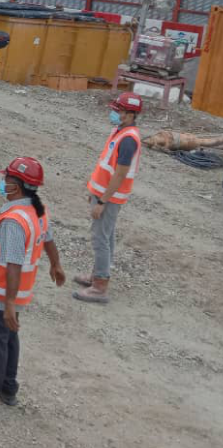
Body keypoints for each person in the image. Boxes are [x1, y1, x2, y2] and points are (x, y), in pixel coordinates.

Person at [0, 158, 65, 414]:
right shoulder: (37, 210)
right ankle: (7, 387)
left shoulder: (14, 222)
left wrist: (7, 304)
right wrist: (56, 264)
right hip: (15, 295)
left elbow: (13, 264)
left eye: (6, 178)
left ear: (16, 186)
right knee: (8, 339)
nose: (2, 182)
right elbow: (48, 239)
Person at [74, 92, 143, 304]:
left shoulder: (128, 140)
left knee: (100, 239)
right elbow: (106, 165)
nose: (114, 113)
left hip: (110, 198)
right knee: (107, 236)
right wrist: (94, 191)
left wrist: (102, 201)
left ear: (130, 114)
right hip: (104, 194)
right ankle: (97, 275)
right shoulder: (119, 131)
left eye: (118, 110)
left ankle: (100, 287)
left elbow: (119, 175)